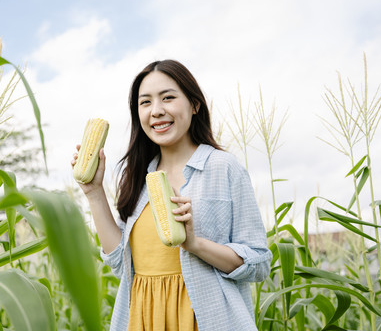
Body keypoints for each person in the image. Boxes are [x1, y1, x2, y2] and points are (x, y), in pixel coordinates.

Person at [72, 60, 271, 330]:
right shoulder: (137, 175)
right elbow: (120, 263)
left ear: (194, 104)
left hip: (206, 321)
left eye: (168, 98)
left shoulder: (223, 167)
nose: (156, 111)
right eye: (145, 102)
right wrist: (94, 192)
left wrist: (194, 244)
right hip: (142, 320)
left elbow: (258, 262)